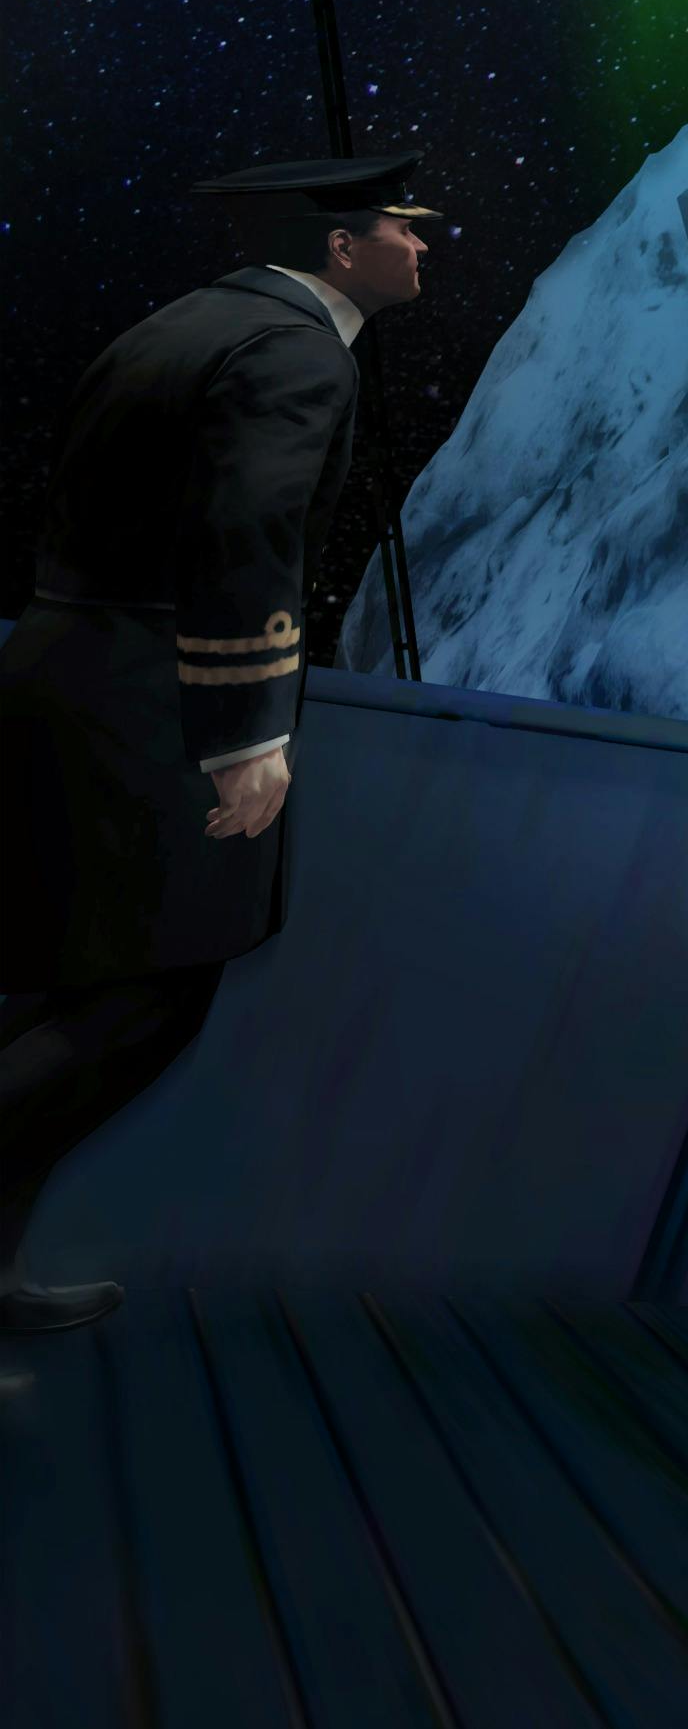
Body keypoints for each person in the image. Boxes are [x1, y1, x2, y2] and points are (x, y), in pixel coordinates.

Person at [0, 155, 433, 1333]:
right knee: (144, 998)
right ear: (341, 248)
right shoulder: (296, 352)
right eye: (402, 226)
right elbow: (247, 532)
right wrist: (246, 734)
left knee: (64, 981)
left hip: (65, 669)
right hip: (160, 702)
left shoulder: (182, 324)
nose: (420, 246)